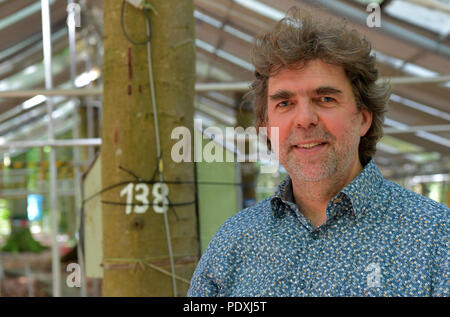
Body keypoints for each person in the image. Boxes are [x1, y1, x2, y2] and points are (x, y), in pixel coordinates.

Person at [188, 8, 449, 297]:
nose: (304, 119)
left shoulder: (435, 237)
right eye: (284, 103)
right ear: (267, 128)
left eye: (325, 98)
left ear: (363, 118)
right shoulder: (233, 242)